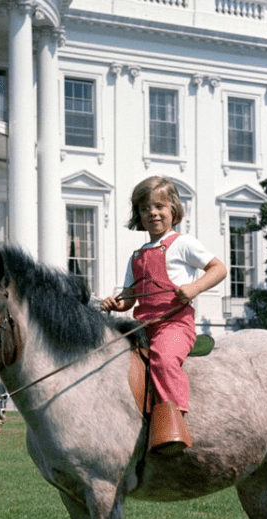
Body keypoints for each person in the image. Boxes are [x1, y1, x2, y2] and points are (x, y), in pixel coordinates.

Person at [102, 176, 227, 455]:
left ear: (173, 210)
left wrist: (194, 288)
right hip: (142, 325)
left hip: (174, 323)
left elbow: (218, 269)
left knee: (163, 359)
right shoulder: (136, 256)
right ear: (139, 215)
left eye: (159, 206)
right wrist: (116, 303)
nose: (153, 213)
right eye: (145, 208)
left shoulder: (183, 243)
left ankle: (174, 424)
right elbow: (129, 298)